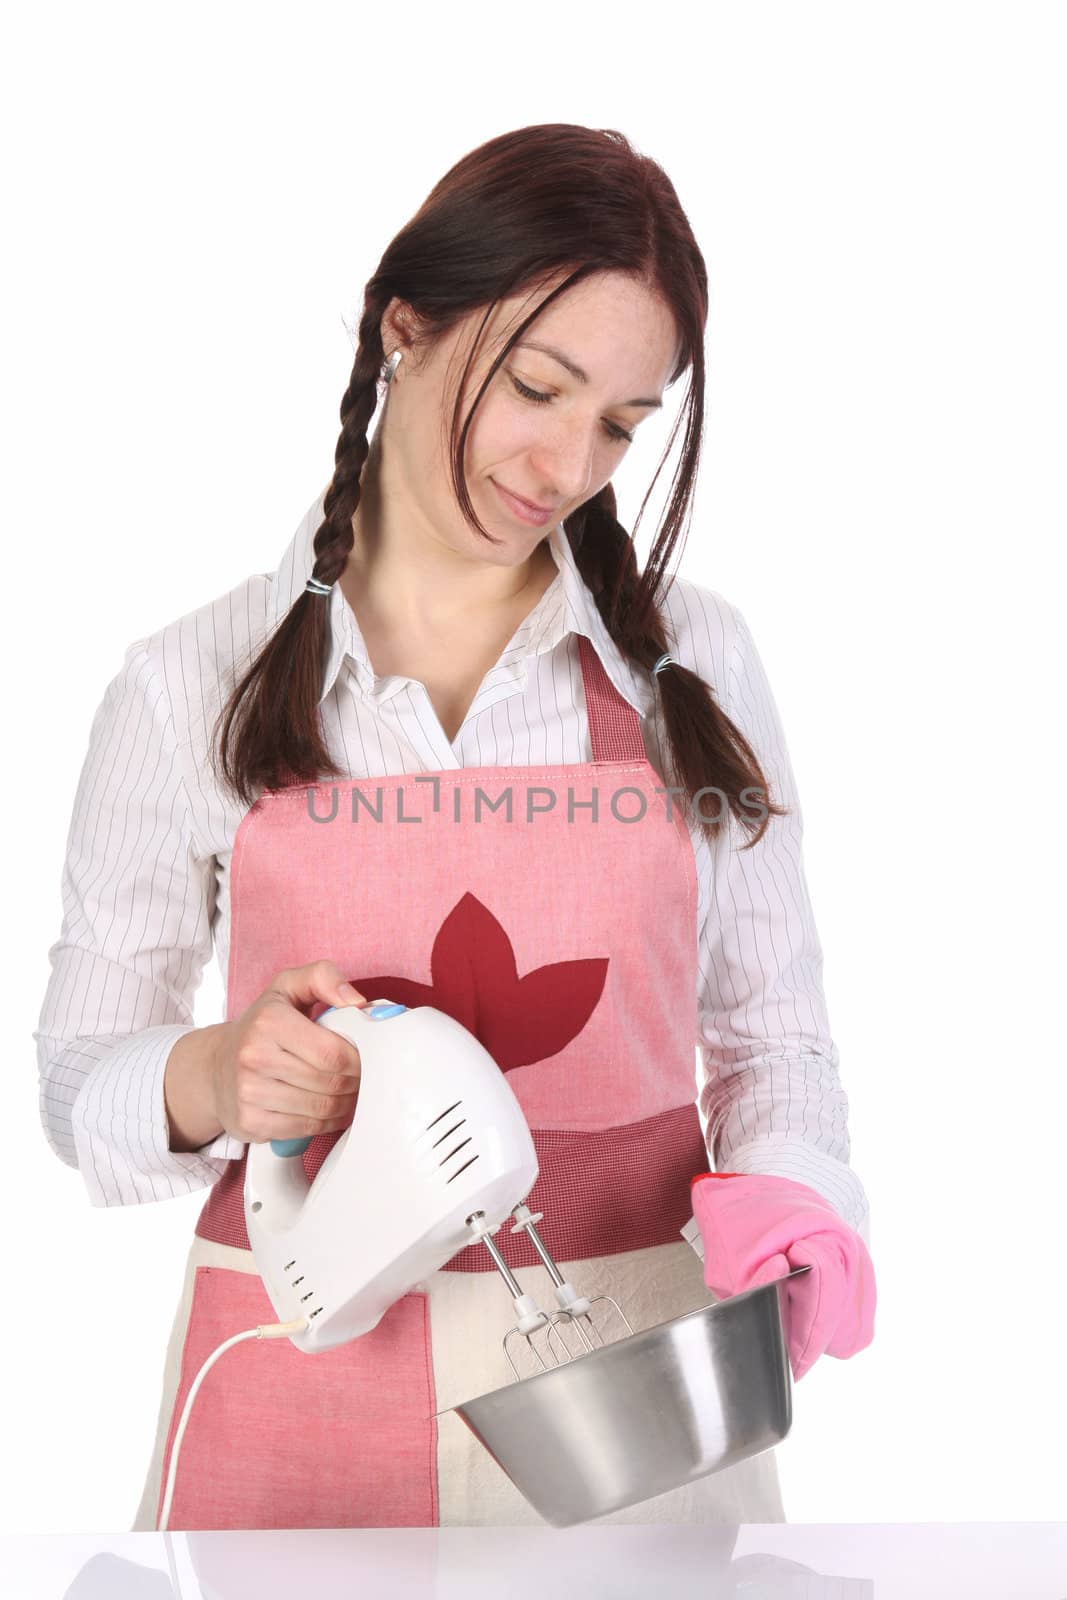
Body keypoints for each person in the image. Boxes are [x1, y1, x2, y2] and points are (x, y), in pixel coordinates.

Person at [34, 122, 875, 1531]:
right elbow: (75, 1081)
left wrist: (795, 1195)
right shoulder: (187, 683)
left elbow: (774, 1037)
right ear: (404, 326)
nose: (564, 464)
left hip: (636, 1397)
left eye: (619, 423)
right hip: (297, 1372)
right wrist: (219, 1072)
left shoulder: (692, 667)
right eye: (537, 387)